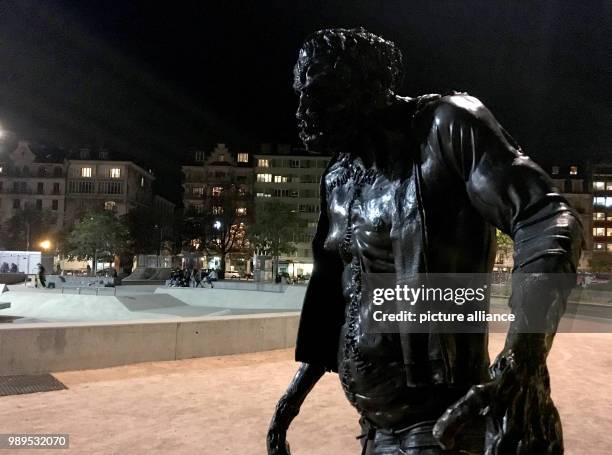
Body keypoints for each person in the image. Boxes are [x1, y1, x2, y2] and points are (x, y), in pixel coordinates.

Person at [268, 28, 583, 455]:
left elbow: (546, 218)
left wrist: (523, 356)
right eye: (300, 91)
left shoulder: (446, 127)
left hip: (441, 423)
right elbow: (336, 294)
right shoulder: (339, 176)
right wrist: (293, 397)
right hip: (374, 423)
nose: (305, 108)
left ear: (369, 85)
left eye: (321, 90)